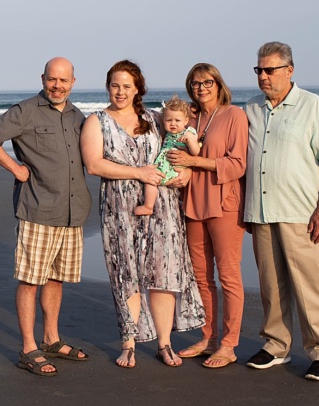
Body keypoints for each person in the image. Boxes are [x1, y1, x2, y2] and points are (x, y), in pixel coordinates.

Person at [80, 60, 204, 368]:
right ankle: (129, 343)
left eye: (127, 86)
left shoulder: (155, 117)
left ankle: (164, 344)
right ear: (108, 86)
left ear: (138, 89)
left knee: (163, 272)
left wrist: (185, 173)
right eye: (115, 85)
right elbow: (94, 164)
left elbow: (179, 142)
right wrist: (138, 172)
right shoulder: (97, 121)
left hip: (162, 206)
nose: (120, 92)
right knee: (126, 273)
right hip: (120, 207)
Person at [0, 57, 93, 377]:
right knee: (31, 281)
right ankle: (29, 348)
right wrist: (15, 168)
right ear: (43, 79)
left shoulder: (77, 116)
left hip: (72, 211)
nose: (57, 85)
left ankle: (51, 339)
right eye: (52, 79)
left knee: (56, 278)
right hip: (38, 209)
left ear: (73, 82)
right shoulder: (25, 110)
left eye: (64, 80)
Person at [242, 42, 319, 381]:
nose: (263, 76)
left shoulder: (312, 106)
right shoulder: (250, 109)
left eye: (270, 70)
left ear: (289, 70)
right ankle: (275, 345)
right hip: (261, 211)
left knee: (312, 286)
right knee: (271, 286)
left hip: (302, 213)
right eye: (259, 70)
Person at [166, 63, 248, 369]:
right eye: (195, 83)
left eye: (207, 82)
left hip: (224, 202)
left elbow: (237, 164)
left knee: (228, 275)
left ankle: (229, 344)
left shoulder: (234, 115)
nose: (201, 87)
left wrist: (193, 161)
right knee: (200, 278)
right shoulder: (190, 116)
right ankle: (208, 339)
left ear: (218, 83)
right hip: (193, 204)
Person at [135, 94, 201, 218]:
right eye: (169, 120)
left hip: (172, 167)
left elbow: (196, 151)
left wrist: (190, 142)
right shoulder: (168, 133)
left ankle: (149, 206)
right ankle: (149, 206)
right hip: (164, 164)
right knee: (151, 181)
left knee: (152, 181)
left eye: (177, 120)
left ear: (186, 121)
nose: (173, 124)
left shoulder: (188, 132)